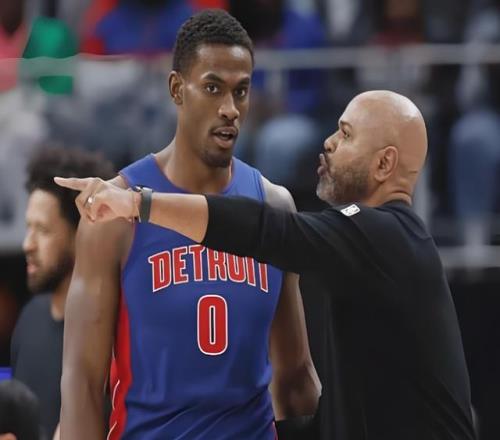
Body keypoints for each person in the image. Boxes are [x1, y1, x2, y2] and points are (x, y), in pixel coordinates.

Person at [58, 90, 477, 440]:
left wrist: (139, 203)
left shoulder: (384, 235)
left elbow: (271, 230)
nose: (329, 142)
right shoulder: (378, 248)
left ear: (384, 164)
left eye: (346, 134)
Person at [58, 9, 320, 440]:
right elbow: (83, 383)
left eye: (241, 91)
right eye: (213, 88)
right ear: (177, 89)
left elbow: (295, 376)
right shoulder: (115, 211)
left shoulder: (274, 205)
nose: (229, 109)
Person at [10, 147, 114, 440]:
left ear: (81, 235)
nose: (27, 244)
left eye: (42, 230)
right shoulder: (30, 317)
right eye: (28, 228)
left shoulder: (110, 334)